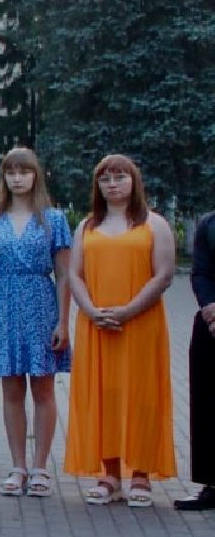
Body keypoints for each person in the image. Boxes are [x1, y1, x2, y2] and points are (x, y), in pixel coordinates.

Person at [65, 154, 176, 507]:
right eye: (105, 179)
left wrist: (128, 310)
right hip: (97, 323)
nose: (112, 184)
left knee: (142, 395)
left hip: (141, 322)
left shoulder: (154, 224)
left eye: (120, 177)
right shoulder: (86, 226)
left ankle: (141, 474)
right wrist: (91, 310)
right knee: (105, 393)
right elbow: (74, 274)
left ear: (134, 182)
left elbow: (164, 275)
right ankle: (109, 473)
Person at [0, 147, 71, 498]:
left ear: (36, 175)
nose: (17, 178)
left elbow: (63, 273)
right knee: (11, 390)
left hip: (41, 303)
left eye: (24, 171)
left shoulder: (54, 219)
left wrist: (63, 320)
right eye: (11, 171)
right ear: (3, 176)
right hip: (3, 305)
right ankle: (18, 466)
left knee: (43, 389)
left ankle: (41, 467)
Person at [178, 211, 215, 510]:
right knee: (208, 403)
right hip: (213, 323)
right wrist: (210, 308)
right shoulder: (209, 223)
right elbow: (201, 272)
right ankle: (212, 484)